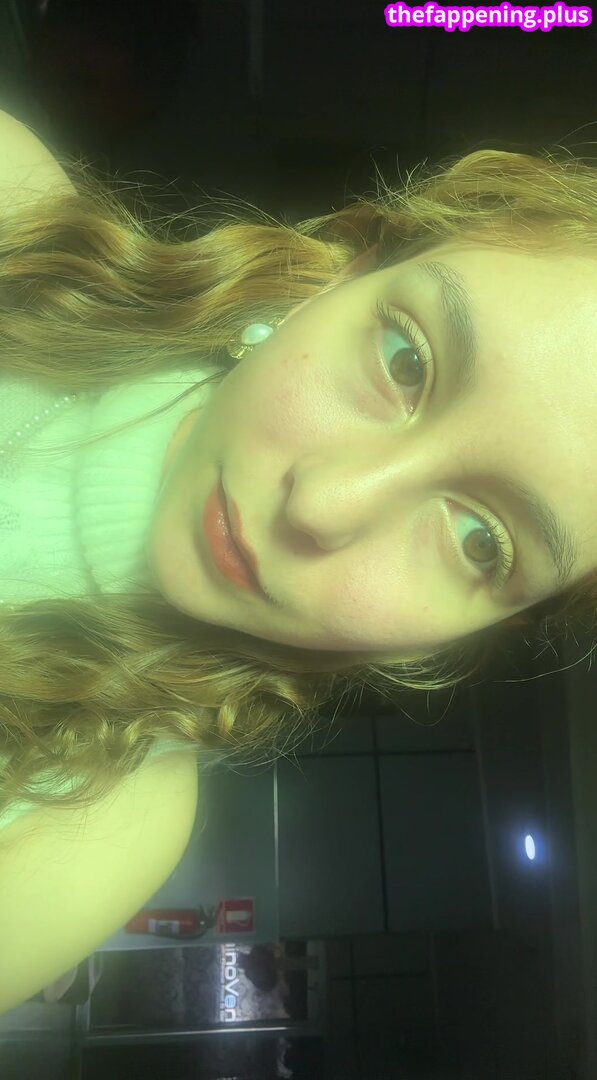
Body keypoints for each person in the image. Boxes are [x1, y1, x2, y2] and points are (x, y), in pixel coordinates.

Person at [0, 116, 595, 1009]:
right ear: (344, 274)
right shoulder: (17, 219)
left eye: (481, 540)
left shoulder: (90, 827)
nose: (323, 504)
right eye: (405, 360)